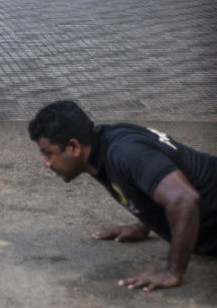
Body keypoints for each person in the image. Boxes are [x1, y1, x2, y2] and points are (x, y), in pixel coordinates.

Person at [28, 100, 217, 291]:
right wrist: (145, 222)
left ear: (74, 147)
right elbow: (151, 181)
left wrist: (172, 271)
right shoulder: (100, 149)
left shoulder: (125, 152)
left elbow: (184, 199)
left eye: (48, 153)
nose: (46, 163)